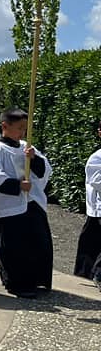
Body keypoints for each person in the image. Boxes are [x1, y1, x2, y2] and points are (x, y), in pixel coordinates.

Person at [0, 108, 53, 298]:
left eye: (25, 128)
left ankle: (37, 279)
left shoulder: (26, 147)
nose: (23, 133)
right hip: (7, 206)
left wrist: (34, 160)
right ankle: (17, 283)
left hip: (31, 203)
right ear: (5, 126)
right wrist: (17, 186)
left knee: (38, 242)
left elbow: (45, 170)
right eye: (19, 128)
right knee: (13, 248)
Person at [74, 118, 101, 290]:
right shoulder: (96, 158)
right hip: (98, 206)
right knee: (92, 239)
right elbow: (97, 181)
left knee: (93, 240)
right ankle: (98, 273)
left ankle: (91, 271)